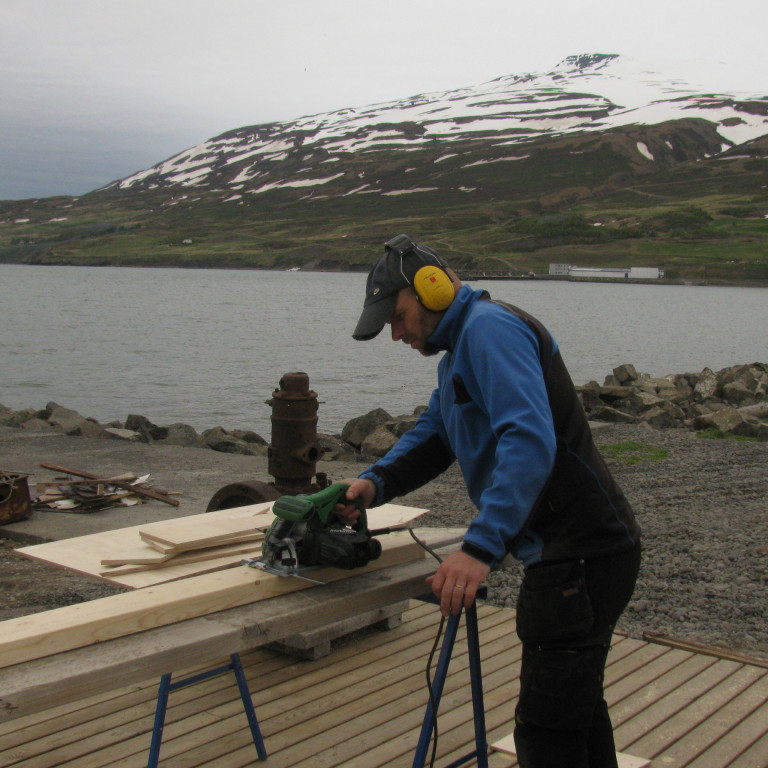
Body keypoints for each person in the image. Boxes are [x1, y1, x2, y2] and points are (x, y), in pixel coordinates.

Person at [338, 234, 641, 768]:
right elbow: (437, 432)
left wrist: (479, 548)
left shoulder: (490, 331)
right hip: (579, 552)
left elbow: (528, 440)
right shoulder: (460, 351)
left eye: (399, 316)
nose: (397, 333)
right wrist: (374, 483)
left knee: (546, 733)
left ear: (432, 288)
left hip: (580, 554)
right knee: (577, 712)